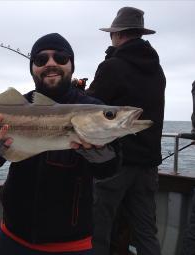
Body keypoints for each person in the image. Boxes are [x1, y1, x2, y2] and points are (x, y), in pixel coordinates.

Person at [0, 33, 120, 255]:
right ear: (33, 68)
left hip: (72, 244)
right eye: (41, 60)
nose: (51, 64)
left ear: (71, 65)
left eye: (60, 58)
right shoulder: (10, 109)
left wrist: (106, 159)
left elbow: (110, 169)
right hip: (12, 234)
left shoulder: (93, 108)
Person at [86, 7, 166, 255]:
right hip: (148, 166)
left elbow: (90, 108)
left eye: (112, 34)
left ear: (118, 35)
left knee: (98, 229)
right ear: (140, 34)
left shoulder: (112, 67)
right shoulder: (158, 70)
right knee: (145, 232)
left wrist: (81, 89)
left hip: (116, 165)